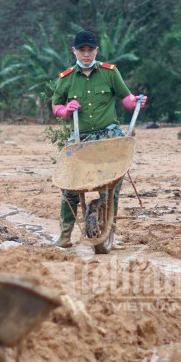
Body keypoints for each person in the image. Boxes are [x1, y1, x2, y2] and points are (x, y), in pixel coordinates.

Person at [50, 30, 146, 248]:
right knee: (70, 186)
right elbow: (56, 105)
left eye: (90, 50)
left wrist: (135, 101)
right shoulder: (66, 78)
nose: (86, 54)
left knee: (112, 186)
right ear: (74, 51)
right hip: (81, 138)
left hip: (108, 136)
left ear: (96, 51)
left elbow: (126, 98)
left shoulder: (109, 72)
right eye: (81, 50)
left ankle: (110, 233)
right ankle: (65, 236)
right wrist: (66, 110)